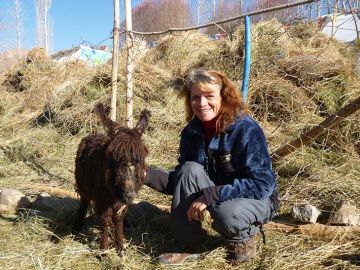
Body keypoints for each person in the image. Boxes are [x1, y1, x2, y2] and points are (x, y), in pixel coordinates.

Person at [145, 69, 279, 265]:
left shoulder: (245, 129)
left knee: (228, 214)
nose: (201, 103)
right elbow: (184, 181)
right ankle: (189, 244)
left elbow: (262, 184)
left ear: (223, 97)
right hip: (215, 194)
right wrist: (147, 174)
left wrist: (213, 194)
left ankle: (242, 238)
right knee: (189, 169)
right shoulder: (191, 132)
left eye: (209, 96)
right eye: (195, 97)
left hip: (256, 199)